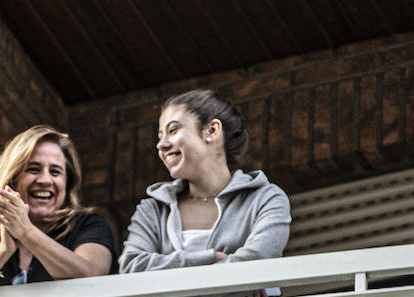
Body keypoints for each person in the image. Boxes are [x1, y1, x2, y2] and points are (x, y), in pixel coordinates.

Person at [119, 89, 290, 274]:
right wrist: (210, 258)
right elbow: (131, 268)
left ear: (212, 130)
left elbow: (254, 268)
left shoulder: (266, 199)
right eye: (160, 136)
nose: (161, 145)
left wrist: (171, 296)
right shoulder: (152, 210)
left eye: (173, 130)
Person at [0, 125, 114, 295]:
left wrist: (25, 231)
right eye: (33, 169)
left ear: (67, 185)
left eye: (55, 172)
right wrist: (2, 252)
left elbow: (91, 274)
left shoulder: (88, 225)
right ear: (12, 179)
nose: (45, 180)